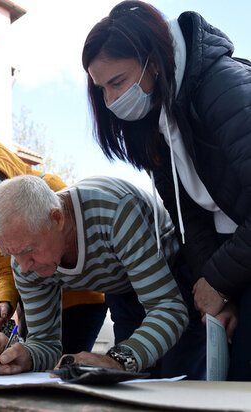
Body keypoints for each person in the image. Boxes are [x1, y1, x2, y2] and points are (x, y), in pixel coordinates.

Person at [82, 0, 250, 380]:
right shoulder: (157, 125)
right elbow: (189, 217)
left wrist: (218, 282)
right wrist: (214, 291)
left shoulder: (224, 87)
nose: (110, 101)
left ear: (153, 62)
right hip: (236, 259)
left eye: (118, 82)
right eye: (101, 89)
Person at [0, 175, 190, 376]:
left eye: (29, 250)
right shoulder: (25, 259)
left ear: (57, 219)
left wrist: (117, 360)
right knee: (135, 383)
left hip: (174, 268)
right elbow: (44, 342)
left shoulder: (114, 213)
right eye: (12, 254)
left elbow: (169, 307)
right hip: (118, 285)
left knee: (180, 374)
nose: (24, 267)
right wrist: (25, 355)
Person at [0, 133, 107, 354]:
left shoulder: (48, 184)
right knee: (34, 364)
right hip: (36, 302)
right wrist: (4, 302)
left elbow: (76, 241)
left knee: (61, 367)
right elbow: (7, 269)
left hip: (80, 300)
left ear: (2, 164)